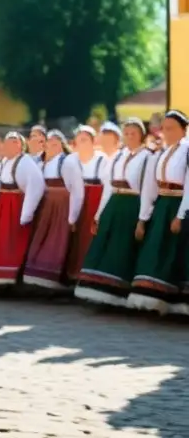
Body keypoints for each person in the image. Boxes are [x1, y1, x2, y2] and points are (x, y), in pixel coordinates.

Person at [76, 118, 155, 307]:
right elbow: (108, 188)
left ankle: (119, 293)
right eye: (126, 133)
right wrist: (99, 214)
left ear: (142, 135)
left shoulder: (148, 158)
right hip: (114, 204)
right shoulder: (118, 156)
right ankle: (99, 291)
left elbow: (147, 191)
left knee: (123, 249)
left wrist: (142, 219)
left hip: (131, 206)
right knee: (104, 247)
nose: (129, 137)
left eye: (133, 133)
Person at [127, 110, 189, 314]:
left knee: (177, 254)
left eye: (172, 128)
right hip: (162, 205)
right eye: (164, 128)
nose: (167, 132)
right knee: (156, 250)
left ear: (183, 129)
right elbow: (150, 187)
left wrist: (181, 215)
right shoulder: (161, 153)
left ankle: (177, 303)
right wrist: (143, 218)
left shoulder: (186, 150)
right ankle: (153, 300)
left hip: (179, 205)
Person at [0, 132, 45, 286]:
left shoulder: (26, 162)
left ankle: (12, 280)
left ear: (19, 145)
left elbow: (36, 186)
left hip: (15, 207)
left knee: (13, 243)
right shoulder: (4, 162)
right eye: (6, 142)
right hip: (1, 206)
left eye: (11, 142)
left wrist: (26, 214)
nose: (6, 146)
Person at [24, 130, 84, 291]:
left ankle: (54, 280)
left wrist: (72, 217)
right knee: (39, 240)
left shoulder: (67, 163)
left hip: (59, 208)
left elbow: (77, 191)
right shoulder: (39, 163)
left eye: (55, 143)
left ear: (62, 146)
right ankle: (36, 278)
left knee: (57, 242)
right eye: (48, 143)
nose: (50, 146)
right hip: (43, 207)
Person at [65, 126, 107, 282]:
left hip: (94, 203)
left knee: (90, 239)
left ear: (93, 141)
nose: (82, 143)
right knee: (75, 240)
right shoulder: (71, 160)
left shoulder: (102, 159)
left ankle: (90, 276)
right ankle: (73, 274)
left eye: (85, 140)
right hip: (75, 203)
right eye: (79, 140)